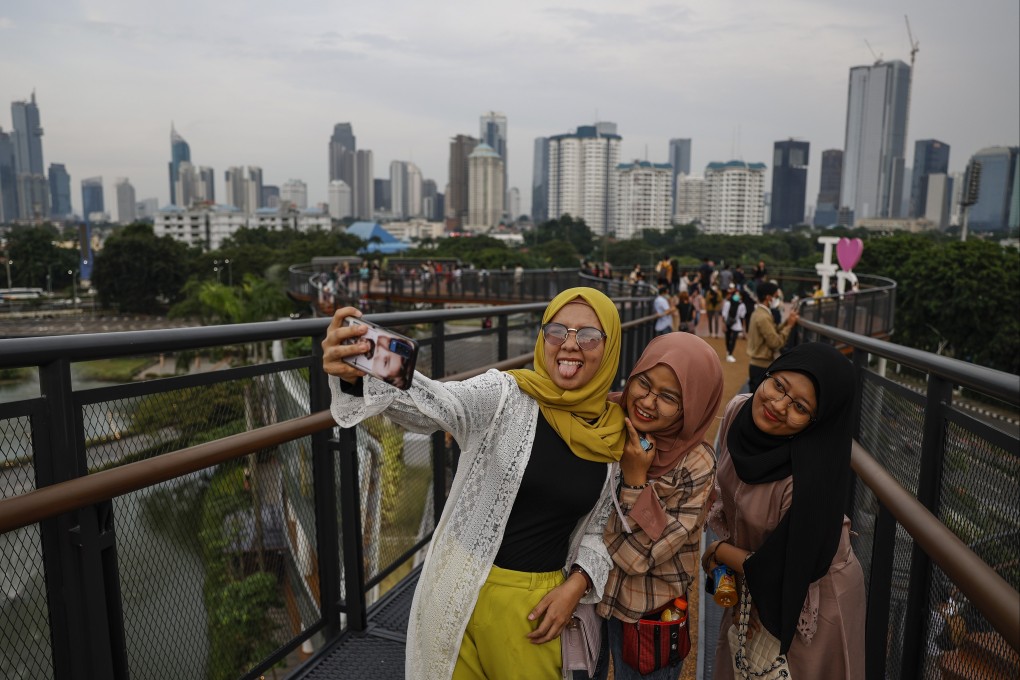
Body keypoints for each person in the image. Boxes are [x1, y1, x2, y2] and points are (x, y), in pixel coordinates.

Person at [321, 288, 626, 679]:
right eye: (557, 331)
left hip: (538, 609)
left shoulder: (614, 435)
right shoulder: (506, 396)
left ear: (610, 345)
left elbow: (601, 527)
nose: (569, 345)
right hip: (459, 592)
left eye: (588, 336)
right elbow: (439, 402)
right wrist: (361, 368)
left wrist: (577, 585)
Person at [703, 342, 866, 679]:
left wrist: (718, 550)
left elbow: (785, 567)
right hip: (750, 576)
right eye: (778, 385)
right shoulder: (738, 412)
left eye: (800, 406)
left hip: (810, 595)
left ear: (816, 421)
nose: (777, 405)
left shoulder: (807, 479)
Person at [596, 333, 724, 680]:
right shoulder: (605, 423)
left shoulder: (696, 465)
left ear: (693, 405)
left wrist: (636, 480)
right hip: (590, 593)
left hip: (649, 608)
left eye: (668, 397)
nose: (647, 403)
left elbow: (639, 555)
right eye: (643, 384)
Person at [746, 282, 799, 392]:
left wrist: (787, 322)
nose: (777, 299)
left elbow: (773, 331)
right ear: (768, 297)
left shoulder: (760, 313)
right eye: (775, 296)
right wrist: (789, 326)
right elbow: (775, 342)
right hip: (761, 365)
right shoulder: (763, 317)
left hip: (757, 364)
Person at [721, 289, 746, 363]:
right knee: (727, 338)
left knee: (734, 339)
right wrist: (724, 324)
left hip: (736, 323)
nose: (737, 296)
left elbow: (742, 316)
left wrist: (742, 328)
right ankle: (728, 351)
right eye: (736, 294)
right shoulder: (728, 303)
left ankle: (730, 354)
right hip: (727, 322)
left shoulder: (742, 305)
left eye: (739, 294)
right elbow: (724, 314)